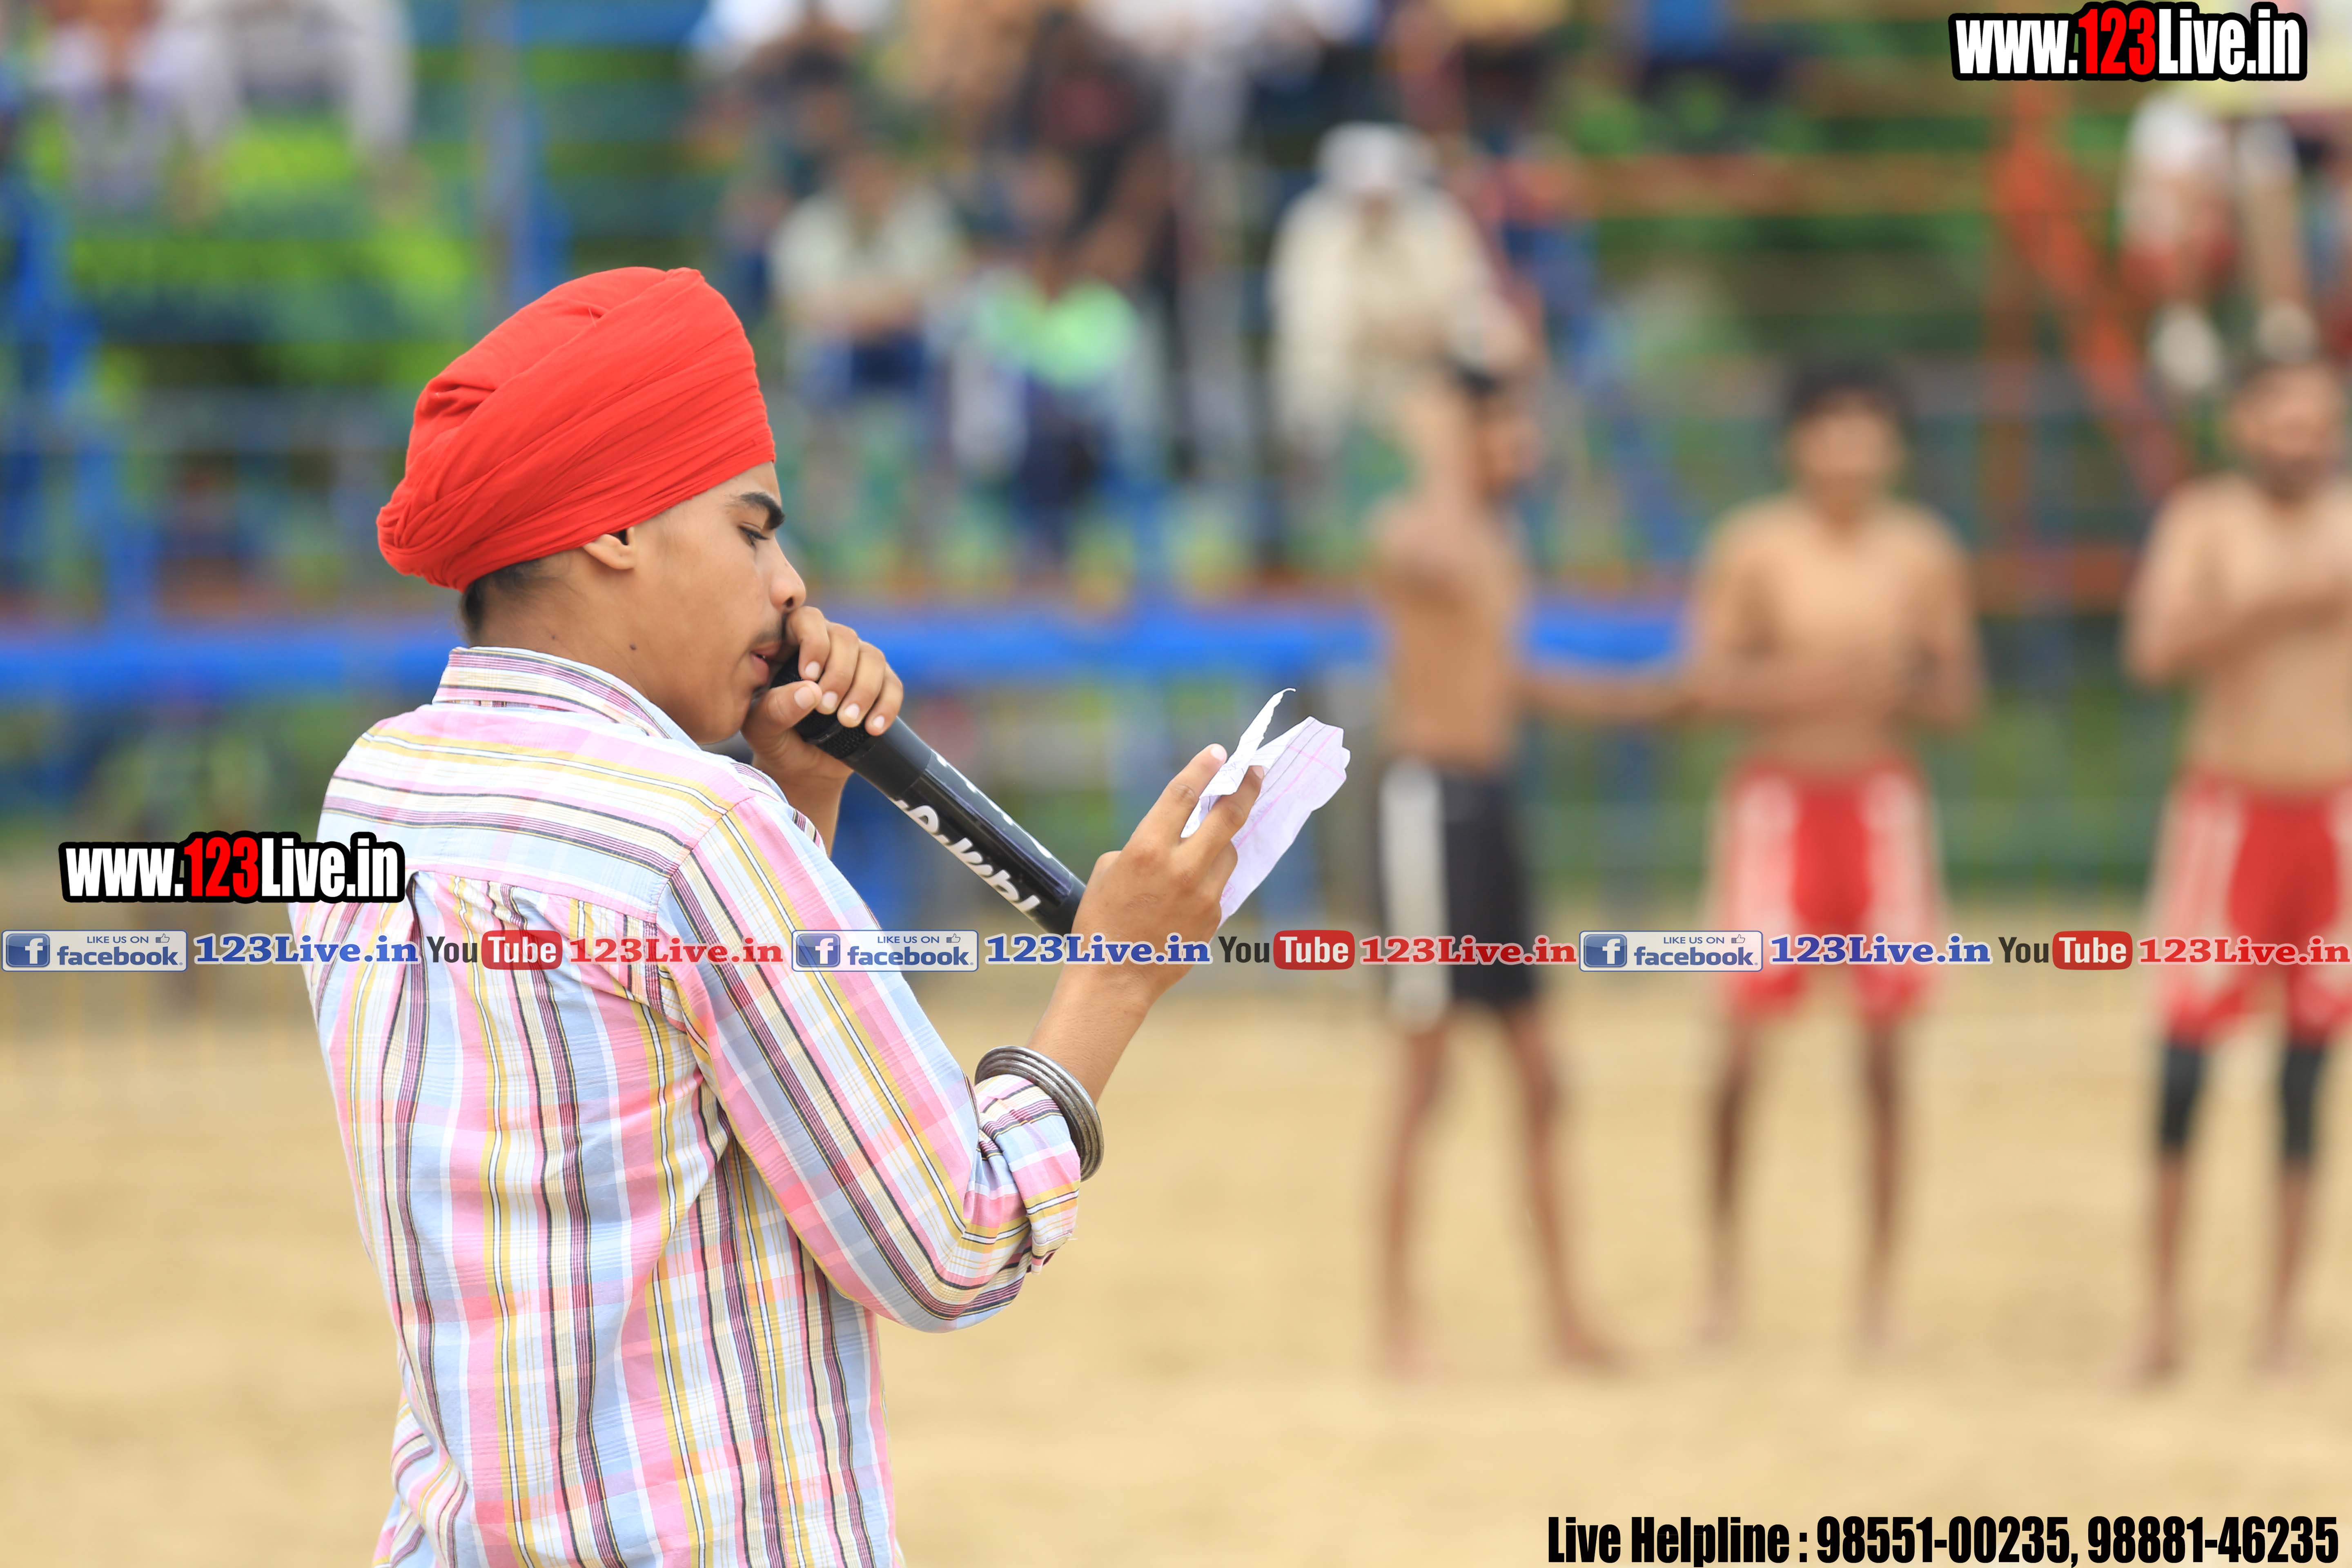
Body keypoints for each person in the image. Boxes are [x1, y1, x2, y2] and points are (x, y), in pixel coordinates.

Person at [292, 266, 1263, 1566]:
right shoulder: (700, 833)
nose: (791, 583)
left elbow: (676, 1093)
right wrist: (1114, 980)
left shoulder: (376, 791)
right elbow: (951, 1242)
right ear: (615, 529)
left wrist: (798, 801)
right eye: (752, 530)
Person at [1368, 349, 1676, 1378]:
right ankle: (1399, 1321)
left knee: (1543, 1075)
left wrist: (1638, 700)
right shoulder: (1420, 527)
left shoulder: (1499, 539)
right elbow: (1424, 557)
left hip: (1491, 809)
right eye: (1504, 427)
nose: (1526, 446)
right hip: (1428, 806)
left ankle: (1566, 1315)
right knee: (1427, 1072)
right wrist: (1441, 450)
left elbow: (1507, 676)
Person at [1684, 362, 1983, 1355]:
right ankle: (1722, 1285)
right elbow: (1705, 684)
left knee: (1886, 1060)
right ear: (1797, 443)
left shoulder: (1923, 553)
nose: (1850, 449)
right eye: (1831, 427)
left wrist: (1896, 687)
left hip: (1880, 810)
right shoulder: (1755, 547)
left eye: (1868, 428)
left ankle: (1878, 1298)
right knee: (1739, 1058)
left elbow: (1960, 699)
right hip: (1776, 809)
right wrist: (1819, 681)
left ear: (1893, 445)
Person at [2121, 356, 2352, 1381]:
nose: (2303, 442)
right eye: (2284, 423)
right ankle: (2160, 1320)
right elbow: (2153, 653)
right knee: (2184, 1067)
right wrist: (2281, 603)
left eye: (2319, 424)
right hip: (2226, 823)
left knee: (2309, 1075)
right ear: (2243, 427)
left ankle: (2281, 1324)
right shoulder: (2204, 523)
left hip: (2335, 824)